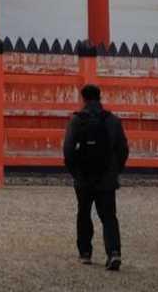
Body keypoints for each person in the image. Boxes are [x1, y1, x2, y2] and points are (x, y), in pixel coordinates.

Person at [63, 82, 129, 271]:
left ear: (83, 98)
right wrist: (115, 171)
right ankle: (114, 252)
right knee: (109, 216)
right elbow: (123, 149)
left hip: (84, 176)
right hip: (106, 176)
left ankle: (85, 253)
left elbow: (68, 150)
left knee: (84, 213)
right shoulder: (112, 120)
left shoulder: (77, 120)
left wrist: (75, 173)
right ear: (100, 97)